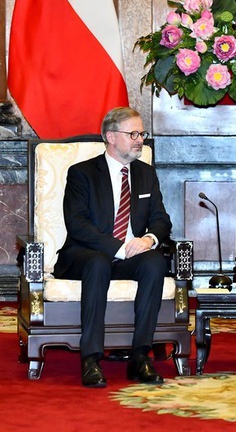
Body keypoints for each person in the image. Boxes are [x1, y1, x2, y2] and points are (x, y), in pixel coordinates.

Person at [53, 107, 172, 388]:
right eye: (132, 134)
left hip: (130, 255)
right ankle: (91, 358)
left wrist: (148, 240)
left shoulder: (145, 174)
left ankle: (140, 357)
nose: (139, 139)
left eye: (141, 134)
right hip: (84, 255)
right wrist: (118, 247)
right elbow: (78, 225)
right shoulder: (82, 173)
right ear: (111, 136)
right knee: (98, 261)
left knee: (155, 262)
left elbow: (161, 220)